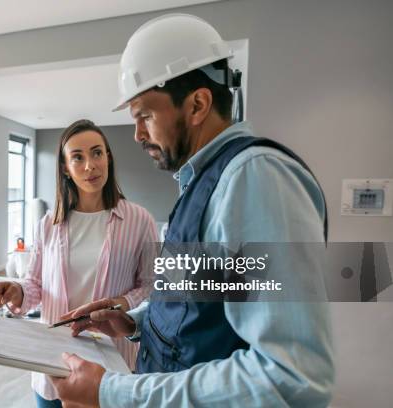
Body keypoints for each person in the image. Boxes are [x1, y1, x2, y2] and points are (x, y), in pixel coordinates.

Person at [50, 14, 335, 407]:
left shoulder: (255, 178)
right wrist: (134, 320)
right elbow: (203, 303)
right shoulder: (206, 184)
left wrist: (109, 391)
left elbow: (291, 376)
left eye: (145, 116)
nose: (137, 135)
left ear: (198, 103)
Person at [0, 119, 158, 408]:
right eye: (77, 157)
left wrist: (121, 302)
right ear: (65, 167)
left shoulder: (140, 220)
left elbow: (153, 286)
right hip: (54, 365)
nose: (90, 165)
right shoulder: (48, 224)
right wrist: (17, 291)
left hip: (112, 368)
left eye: (97, 153)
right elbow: (35, 285)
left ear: (108, 157)